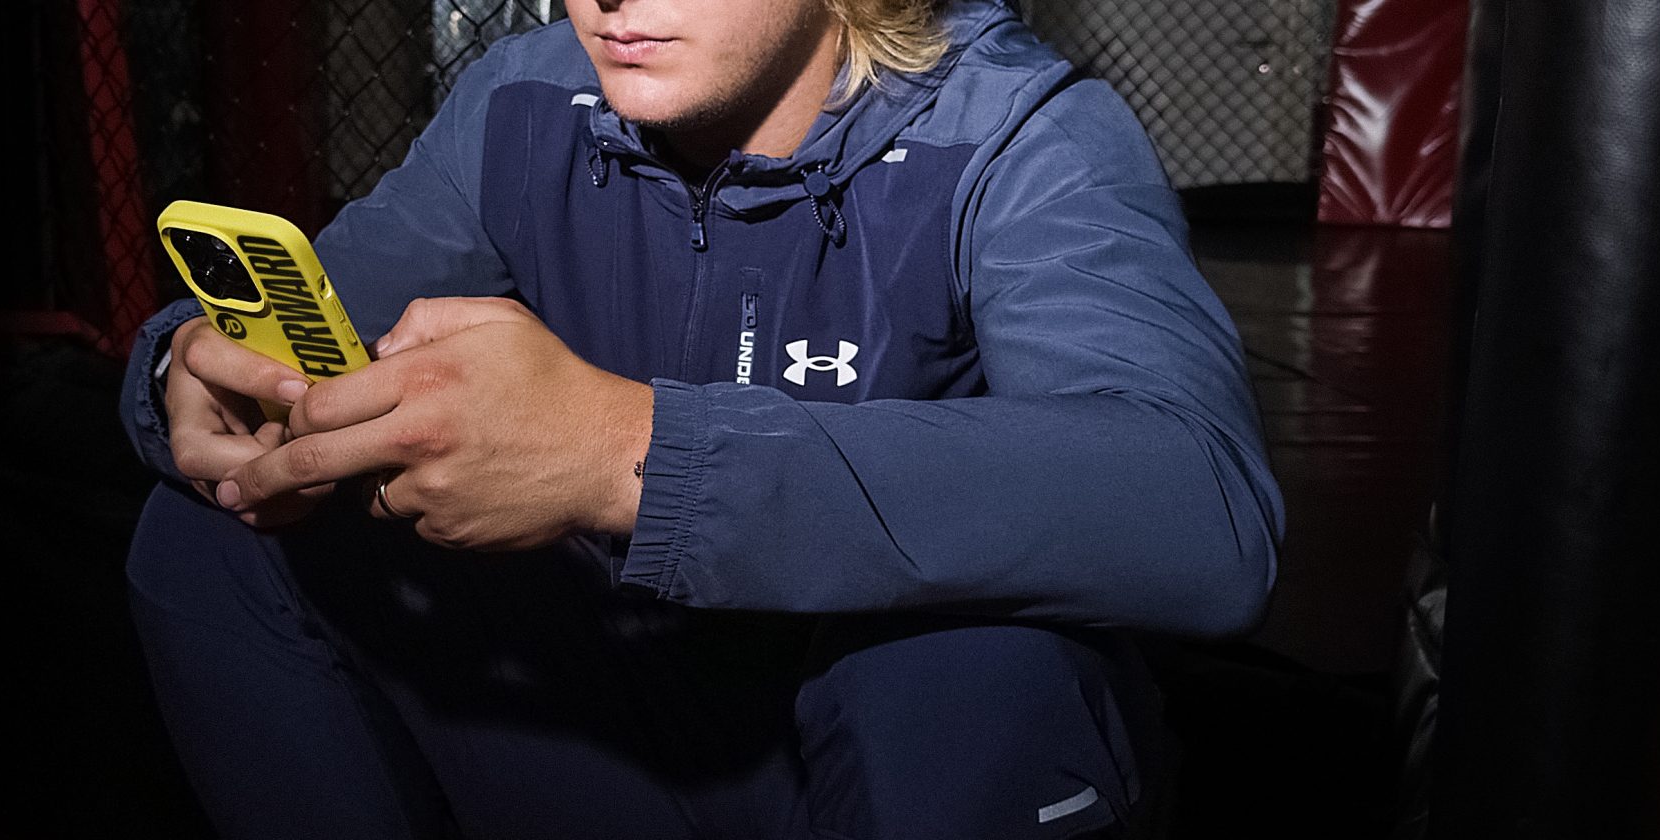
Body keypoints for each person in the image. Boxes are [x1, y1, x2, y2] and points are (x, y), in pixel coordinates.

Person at [119, 0, 1284, 837]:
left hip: (870, 758)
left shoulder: (1019, 133)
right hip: (621, 713)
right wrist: (191, 372)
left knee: (974, 665)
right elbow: (310, 324)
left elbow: (1201, 508)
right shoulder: (525, 96)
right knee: (225, 533)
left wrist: (629, 455)